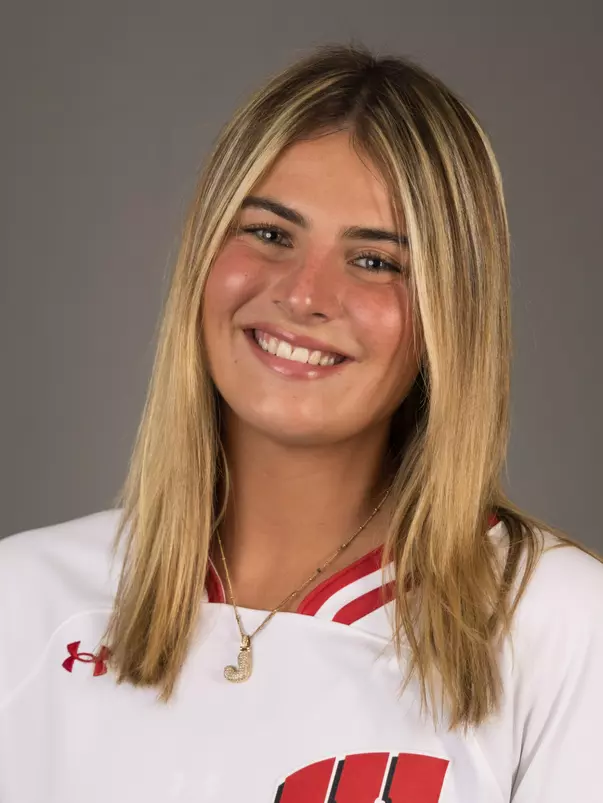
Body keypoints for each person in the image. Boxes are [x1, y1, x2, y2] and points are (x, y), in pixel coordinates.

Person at [0, 44, 601, 803]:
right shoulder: (20, 601)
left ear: (453, 312)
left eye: (377, 261)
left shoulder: (559, 625)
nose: (304, 294)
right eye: (270, 234)